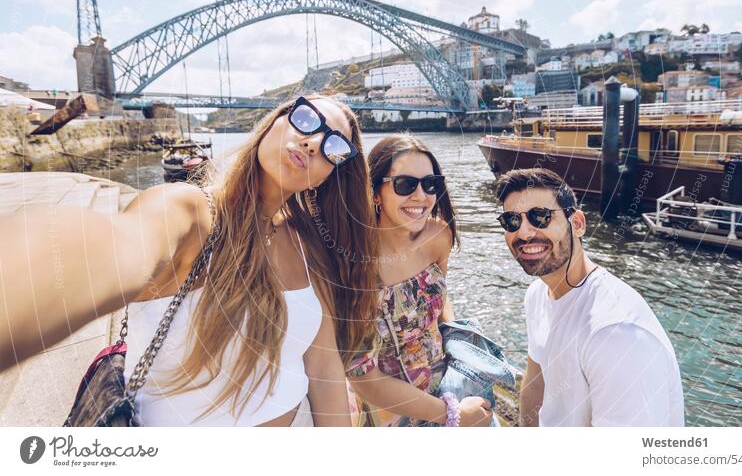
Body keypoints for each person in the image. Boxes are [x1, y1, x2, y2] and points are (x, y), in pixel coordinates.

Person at [0, 95, 378, 427]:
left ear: (329, 175)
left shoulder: (307, 246)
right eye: (307, 120)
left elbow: (325, 369)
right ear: (275, 121)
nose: (313, 142)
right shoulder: (190, 213)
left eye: (335, 147)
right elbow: (110, 249)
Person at [495, 168, 684, 427]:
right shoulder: (538, 294)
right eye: (512, 221)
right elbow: (534, 385)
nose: (525, 233)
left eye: (540, 217)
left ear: (578, 224)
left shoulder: (617, 333)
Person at [346, 134, 493, 427]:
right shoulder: (355, 267)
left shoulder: (438, 236)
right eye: (405, 184)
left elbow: (437, 301)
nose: (421, 196)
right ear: (375, 192)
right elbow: (363, 376)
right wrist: (453, 415)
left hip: (450, 388)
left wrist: (459, 348)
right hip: (392, 410)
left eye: (430, 184)